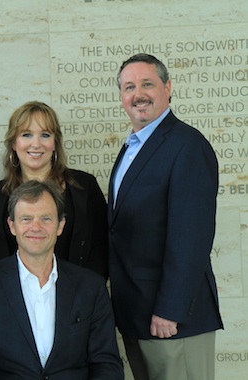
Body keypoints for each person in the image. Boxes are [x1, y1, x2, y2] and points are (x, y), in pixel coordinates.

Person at [108, 53, 223, 380]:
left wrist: (169, 310)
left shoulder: (187, 146)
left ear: (167, 87)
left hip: (173, 321)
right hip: (137, 314)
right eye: (129, 87)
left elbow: (191, 238)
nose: (138, 94)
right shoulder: (133, 147)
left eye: (147, 83)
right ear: (121, 98)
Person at [0, 180, 123, 379]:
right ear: (12, 226)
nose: (35, 227)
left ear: (60, 225)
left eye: (46, 218)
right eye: (26, 219)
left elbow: (106, 363)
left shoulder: (91, 287)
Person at [0, 101, 108, 279]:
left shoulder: (84, 187)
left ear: (55, 142)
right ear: (13, 143)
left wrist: (87, 292)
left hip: (76, 299)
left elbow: (102, 247)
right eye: (26, 135)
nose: (36, 144)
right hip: (9, 302)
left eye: (45, 135)